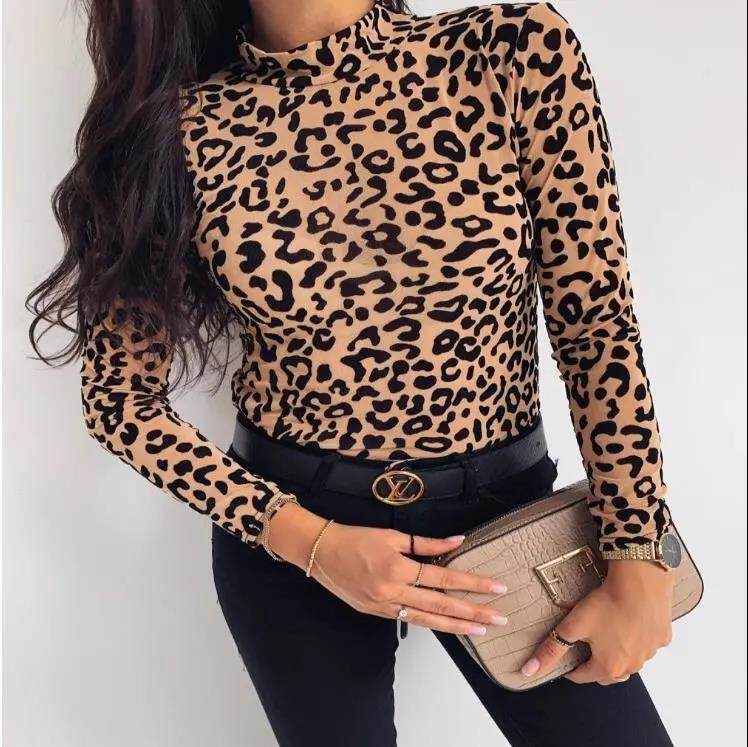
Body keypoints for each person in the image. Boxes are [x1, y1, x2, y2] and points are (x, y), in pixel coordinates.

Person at [28, 1, 676, 744]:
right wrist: (309, 542)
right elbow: (121, 402)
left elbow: (596, 323)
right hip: (293, 535)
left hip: (509, 521)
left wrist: (639, 547)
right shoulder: (176, 128)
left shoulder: (511, 51)